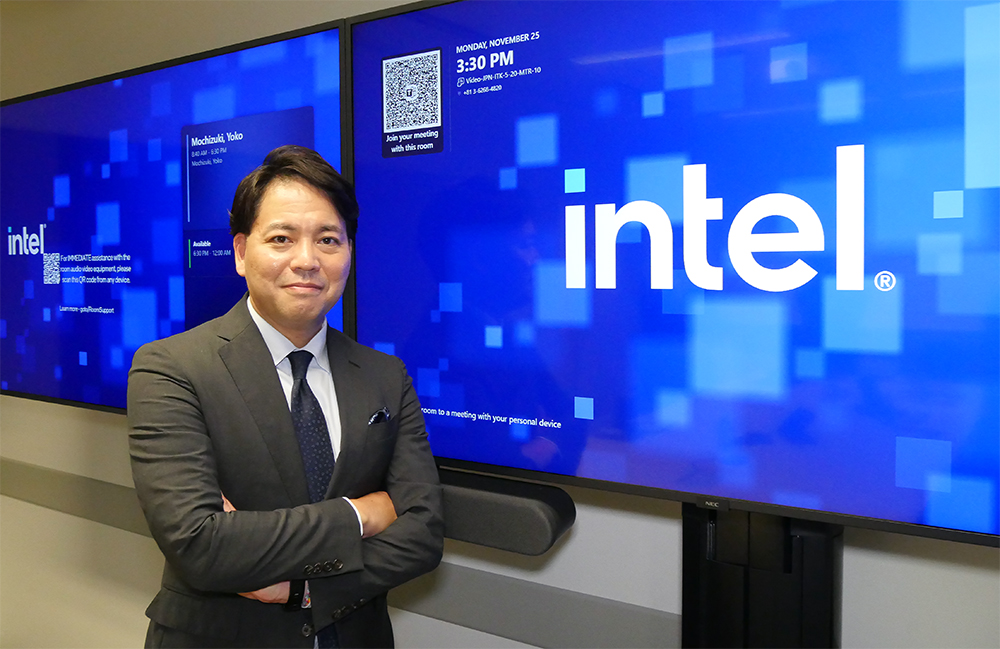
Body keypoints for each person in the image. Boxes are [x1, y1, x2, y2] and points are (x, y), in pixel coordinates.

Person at [128, 145, 443, 648]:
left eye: (328, 240)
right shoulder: (171, 368)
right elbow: (200, 546)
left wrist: (306, 590)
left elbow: (423, 534)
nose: (307, 260)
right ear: (240, 252)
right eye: (281, 238)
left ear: (349, 252)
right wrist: (362, 514)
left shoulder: (385, 375)